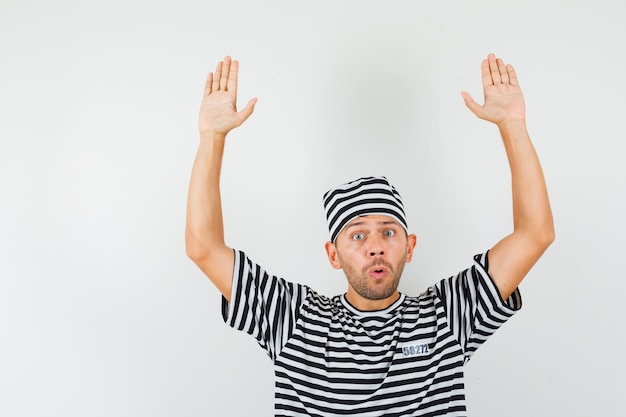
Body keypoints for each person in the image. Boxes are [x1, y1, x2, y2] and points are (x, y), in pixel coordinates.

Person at [186, 54, 554, 416]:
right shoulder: (292, 318)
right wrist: (212, 137)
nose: (376, 247)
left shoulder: (448, 314)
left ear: (409, 247)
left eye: (389, 232)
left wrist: (512, 125)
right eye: (357, 236)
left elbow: (535, 234)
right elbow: (203, 247)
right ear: (333, 254)